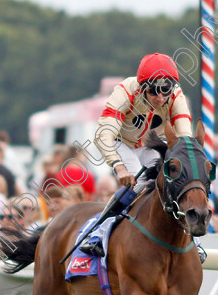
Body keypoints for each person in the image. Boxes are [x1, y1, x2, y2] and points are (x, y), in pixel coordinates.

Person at [78, 52, 193, 257]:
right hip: (122, 142)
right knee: (136, 183)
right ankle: (96, 233)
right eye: (154, 92)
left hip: (150, 144)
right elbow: (104, 134)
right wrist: (118, 166)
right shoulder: (124, 90)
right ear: (142, 87)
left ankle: (190, 236)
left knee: (175, 178)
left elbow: (185, 136)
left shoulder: (176, 95)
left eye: (165, 91)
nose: (160, 98)